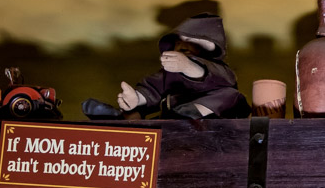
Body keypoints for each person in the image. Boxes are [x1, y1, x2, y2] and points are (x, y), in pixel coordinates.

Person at [82, 13, 248, 120]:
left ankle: (193, 111)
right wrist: (137, 98)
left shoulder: (221, 70)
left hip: (213, 124)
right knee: (138, 111)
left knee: (231, 95)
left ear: (210, 45)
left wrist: (188, 66)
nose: (182, 45)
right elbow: (153, 88)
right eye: (178, 42)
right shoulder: (169, 75)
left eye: (190, 40)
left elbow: (218, 78)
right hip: (172, 122)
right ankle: (120, 122)